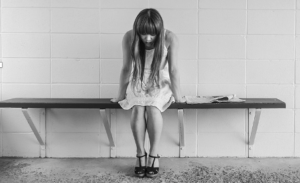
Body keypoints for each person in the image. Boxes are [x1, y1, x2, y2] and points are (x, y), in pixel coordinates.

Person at [111, 8, 185, 178]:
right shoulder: (129, 37)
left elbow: (173, 70)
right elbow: (125, 68)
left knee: (152, 108)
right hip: (138, 80)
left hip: (160, 81)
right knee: (138, 107)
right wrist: (120, 95)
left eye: (152, 34)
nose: (148, 38)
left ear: (159, 31)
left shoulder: (170, 38)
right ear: (137, 30)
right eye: (143, 34)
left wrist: (178, 95)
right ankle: (140, 154)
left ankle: (154, 154)